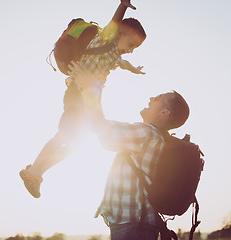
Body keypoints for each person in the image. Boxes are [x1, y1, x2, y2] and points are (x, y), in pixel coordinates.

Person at [20, 0, 147, 198]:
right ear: (119, 34)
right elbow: (115, 23)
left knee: (75, 144)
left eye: (135, 48)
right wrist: (122, 5)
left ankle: (36, 171)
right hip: (77, 94)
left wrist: (134, 69)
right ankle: (34, 171)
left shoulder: (114, 55)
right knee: (64, 136)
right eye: (131, 44)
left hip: (90, 100)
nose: (131, 50)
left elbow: (123, 62)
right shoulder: (104, 39)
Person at [68, 61, 190, 240]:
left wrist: (90, 87)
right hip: (140, 225)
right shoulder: (159, 139)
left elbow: (100, 127)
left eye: (156, 98)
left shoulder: (146, 133)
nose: (150, 99)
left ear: (165, 112)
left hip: (131, 225)